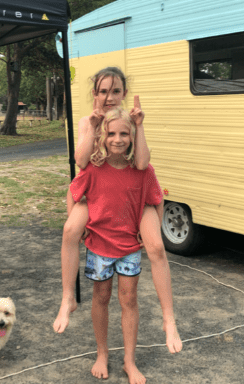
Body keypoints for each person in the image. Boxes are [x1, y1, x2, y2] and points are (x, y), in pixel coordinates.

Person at [53, 67, 182, 356]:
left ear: (124, 93)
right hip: (97, 187)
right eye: (103, 91)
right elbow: (81, 162)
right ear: (94, 93)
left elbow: (142, 164)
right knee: (70, 230)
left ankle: (169, 318)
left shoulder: (131, 119)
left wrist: (138, 125)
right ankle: (67, 297)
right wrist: (94, 125)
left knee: (156, 247)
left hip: (134, 190)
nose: (109, 97)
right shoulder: (88, 121)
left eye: (115, 91)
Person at [69, 107, 165, 383]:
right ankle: (102, 353)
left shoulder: (143, 171)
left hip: (129, 248)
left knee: (129, 299)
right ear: (102, 136)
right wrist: (77, 227)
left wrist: (152, 233)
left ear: (133, 136)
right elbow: (74, 194)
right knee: (101, 297)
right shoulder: (92, 168)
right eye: (111, 133)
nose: (118, 139)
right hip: (99, 247)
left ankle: (129, 361)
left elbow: (157, 200)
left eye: (124, 133)